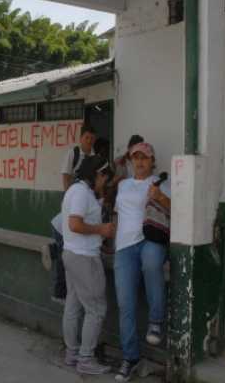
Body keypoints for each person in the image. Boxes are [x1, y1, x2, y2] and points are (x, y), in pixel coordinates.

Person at [113, 143, 171, 382]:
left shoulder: (160, 182)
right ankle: (130, 357)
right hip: (124, 247)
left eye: (144, 158)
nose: (139, 162)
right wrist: (112, 240)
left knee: (151, 263)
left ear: (152, 161)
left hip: (150, 240)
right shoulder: (123, 184)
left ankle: (156, 320)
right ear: (130, 161)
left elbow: (177, 210)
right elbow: (118, 214)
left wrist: (161, 197)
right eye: (135, 158)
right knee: (125, 304)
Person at [61, 155, 115, 375]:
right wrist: (101, 230)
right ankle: (85, 358)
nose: (105, 184)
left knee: (73, 306)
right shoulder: (82, 193)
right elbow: (75, 224)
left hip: (73, 254)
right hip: (84, 258)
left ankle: (72, 353)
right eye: (104, 179)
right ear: (97, 174)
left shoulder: (76, 190)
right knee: (96, 309)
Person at [61, 123, 97, 191]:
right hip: (74, 193)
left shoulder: (96, 156)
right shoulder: (72, 153)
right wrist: (69, 194)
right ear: (81, 138)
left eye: (92, 138)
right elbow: (66, 178)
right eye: (86, 137)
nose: (89, 141)